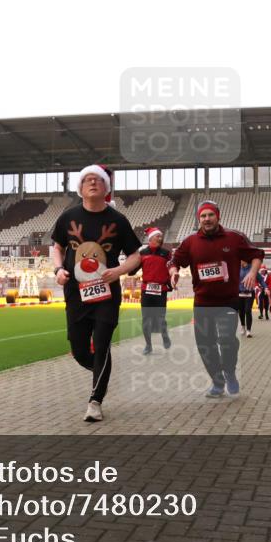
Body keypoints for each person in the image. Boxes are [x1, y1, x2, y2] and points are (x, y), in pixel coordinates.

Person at [51, 164, 142, 423]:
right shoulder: (67, 218)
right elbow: (56, 247)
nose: (92, 183)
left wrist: (118, 271)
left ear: (106, 188)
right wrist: (58, 269)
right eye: (87, 180)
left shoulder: (118, 220)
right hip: (75, 293)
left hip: (106, 293)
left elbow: (136, 256)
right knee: (80, 350)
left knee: (102, 344)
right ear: (80, 188)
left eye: (98, 180)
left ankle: (95, 400)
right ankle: (103, 371)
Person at [168, 199, 264, 398]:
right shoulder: (190, 242)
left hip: (228, 301)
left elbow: (257, 254)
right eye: (203, 216)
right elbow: (175, 260)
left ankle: (229, 370)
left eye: (210, 215)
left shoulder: (234, 238)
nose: (207, 219)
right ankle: (217, 382)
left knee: (227, 340)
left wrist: (252, 273)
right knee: (205, 345)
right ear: (199, 219)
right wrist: (174, 271)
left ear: (218, 216)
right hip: (202, 303)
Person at [138, 226, 172, 354]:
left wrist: (171, 282)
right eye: (158, 236)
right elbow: (133, 269)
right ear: (151, 238)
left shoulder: (166, 253)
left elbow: (171, 268)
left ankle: (164, 335)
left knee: (160, 318)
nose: (160, 238)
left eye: (161, 236)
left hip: (160, 290)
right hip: (146, 289)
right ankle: (148, 345)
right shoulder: (142, 253)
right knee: (146, 319)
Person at [238, 261, 255, 338]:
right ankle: (243, 326)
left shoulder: (252, 269)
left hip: (249, 293)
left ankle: (248, 330)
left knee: (248, 310)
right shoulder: (237, 269)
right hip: (240, 293)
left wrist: (265, 288)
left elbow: (260, 279)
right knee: (241, 311)